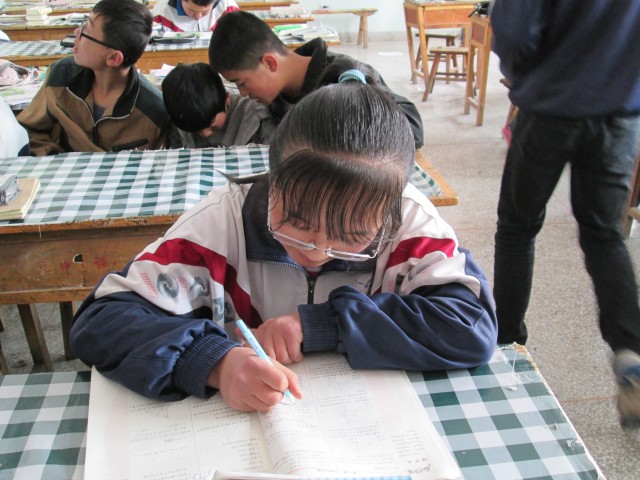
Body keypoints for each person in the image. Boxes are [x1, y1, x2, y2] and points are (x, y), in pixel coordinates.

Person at [70, 77, 497, 412]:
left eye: (351, 236)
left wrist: (322, 325)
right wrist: (214, 362)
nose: (316, 250)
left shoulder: (408, 221)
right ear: (271, 179)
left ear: (388, 212)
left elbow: (470, 325)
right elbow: (102, 323)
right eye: (297, 221)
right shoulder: (222, 222)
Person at [491, 0, 640, 428]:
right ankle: (630, 350)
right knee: (604, 235)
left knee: (517, 228)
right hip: (620, 112)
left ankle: (507, 345)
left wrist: (523, 77)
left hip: (550, 106)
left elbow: (515, 32)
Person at [208, 10, 425, 149]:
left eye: (241, 83)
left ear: (270, 63)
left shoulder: (346, 77)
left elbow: (412, 128)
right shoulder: (275, 100)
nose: (243, 94)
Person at [17, 0, 169, 156]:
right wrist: (53, 158)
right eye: (83, 24)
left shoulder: (154, 110)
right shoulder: (62, 76)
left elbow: (156, 163)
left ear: (113, 58)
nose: (77, 32)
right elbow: (29, 129)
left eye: (86, 32)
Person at [163, 63, 276, 148]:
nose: (205, 134)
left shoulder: (255, 117)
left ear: (226, 99)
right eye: (195, 129)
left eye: (211, 123)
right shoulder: (180, 118)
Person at [152, 0, 238, 32]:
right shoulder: (161, 13)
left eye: (204, 11)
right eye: (192, 10)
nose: (198, 16)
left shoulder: (228, 8)